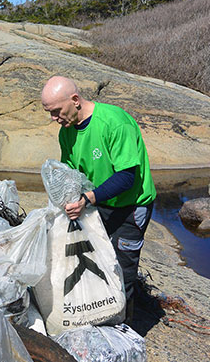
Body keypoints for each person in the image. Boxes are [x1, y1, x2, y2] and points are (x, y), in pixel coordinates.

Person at [40, 75, 156, 322]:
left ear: (75, 100)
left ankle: (126, 328)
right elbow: (70, 174)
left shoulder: (114, 122)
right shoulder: (67, 133)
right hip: (98, 203)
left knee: (123, 269)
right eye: (49, 113)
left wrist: (87, 199)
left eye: (57, 111)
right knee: (98, 259)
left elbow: (126, 177)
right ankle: (100, 313)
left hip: (131, 206)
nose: (54, 118)